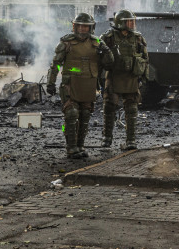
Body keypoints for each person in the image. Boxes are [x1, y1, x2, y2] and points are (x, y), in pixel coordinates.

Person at [46, 13, 115, 159]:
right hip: (70, 85)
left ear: (91, 28)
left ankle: (80, 146)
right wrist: (50, 83)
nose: (82, 29)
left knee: (85, 116)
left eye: (85, 26)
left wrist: (106, 52)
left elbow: (109, 64)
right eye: (80, 26)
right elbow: (55, 65)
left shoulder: (97, 43)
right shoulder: (66, 43)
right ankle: (70, 147)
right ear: (74, 26)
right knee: (70, 115)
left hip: (89, 84)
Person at [100, 9, 149, 150]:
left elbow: (145, 58)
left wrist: (143, 77)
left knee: (132, 108)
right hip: (114, 76)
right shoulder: (108, 37)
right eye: (128, 22)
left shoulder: (138, 38)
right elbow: (98, 57)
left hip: (131, 76)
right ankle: (107, 138)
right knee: (109, 107)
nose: (132, 24)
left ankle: (131, 140)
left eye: (132, 21)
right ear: (120, 23)